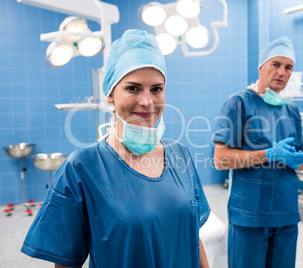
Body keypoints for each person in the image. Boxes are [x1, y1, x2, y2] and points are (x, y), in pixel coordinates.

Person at [21, 29, 210, 268]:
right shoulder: (82, 168)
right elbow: (67, 262)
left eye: (156, 89)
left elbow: (193, 237)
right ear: (110, 94)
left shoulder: (180, 155)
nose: (147, 101)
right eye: (133, 88)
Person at [213, 36, 303, 268]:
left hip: (286, 211)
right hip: (250, 215)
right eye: (275, 64)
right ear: (261, 68)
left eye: (288, 67)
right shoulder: (238, 102)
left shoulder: (292, 109)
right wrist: (269, 154)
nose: (282, 72)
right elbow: (220, 159)